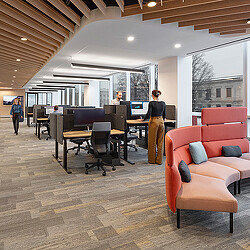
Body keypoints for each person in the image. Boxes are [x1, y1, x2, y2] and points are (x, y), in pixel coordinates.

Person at [140, 90, 166, 165]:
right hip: (161, 122)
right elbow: (164, 115)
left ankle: (151, 160)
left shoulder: (151, 103)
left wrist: (143, 119)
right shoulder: (163, 103)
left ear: (152, 95)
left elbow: (149, 114)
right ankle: (159, 160)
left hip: (154, 121)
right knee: (160, 142)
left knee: (152, 141)